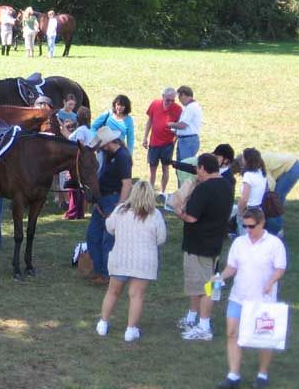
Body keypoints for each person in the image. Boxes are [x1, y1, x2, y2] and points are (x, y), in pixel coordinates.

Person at [214, 207, 287, 389]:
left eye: (251, 226)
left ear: (262, 223)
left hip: (263, 300)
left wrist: (271, 282)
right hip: (239, 296)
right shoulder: (239, 242)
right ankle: (233, 375)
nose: (248, 230)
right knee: (231, 333)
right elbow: (232, 266)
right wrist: (220, 277)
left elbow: (280, 268)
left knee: (264, 337)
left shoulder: (274, 244)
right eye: (245, 226)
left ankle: (262, 375)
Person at [96, 179, 167, 342]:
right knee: (136, 296)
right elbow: (161, 238)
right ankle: (130, 330)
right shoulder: (155, 215)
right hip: (144, 262)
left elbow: (109, 227)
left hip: (121, 258)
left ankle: (103, 323)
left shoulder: (120, 210)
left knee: (112, 292)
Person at [174, 153, 234, 341]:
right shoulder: (226, 185)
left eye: (197, 169)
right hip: (215, 244)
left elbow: (191, 217)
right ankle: (193, 317)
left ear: (202, 168)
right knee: (205, 283)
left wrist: (178, 212)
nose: (196, 173)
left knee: (204, 287)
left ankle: (204, 325)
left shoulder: (204, 189)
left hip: (198, 244)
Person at [86, 126, 133, 286]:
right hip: (103, 200)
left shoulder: (122, 157)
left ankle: (106, 274)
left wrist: (119, 207)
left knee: (108, 240)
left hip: (113, 201)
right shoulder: (109, 155)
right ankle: (99, 269)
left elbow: (127, 184)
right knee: (93, 235)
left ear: (108, 143)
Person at [234, 151, 299, 237]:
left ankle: (276, 231)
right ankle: (269, 226)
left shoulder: (261, 164)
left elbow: (271, 184)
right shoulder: (257, 163)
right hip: (290, 165)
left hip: (292, 168)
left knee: (274, 202)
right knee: (270, 201)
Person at [143, 87, 183, 194]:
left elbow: (181, 127)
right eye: (168, 100)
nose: (170, 102)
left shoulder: (178, 109)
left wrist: (174, 142)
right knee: (152, 169)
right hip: (154, 143)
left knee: (166, 168)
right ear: (163, 97)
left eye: (173, 100)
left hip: (167, 144)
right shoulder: (155, 104)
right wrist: (145, 137)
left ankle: (163, 192)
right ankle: (151, 191)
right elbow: (150, 121)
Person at [169, 85, 203, 163]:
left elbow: (183, 125)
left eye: (179, 97)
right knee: (181, 166)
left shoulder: (191, 107)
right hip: (185, 140)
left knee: (185, 166)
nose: (179, 100)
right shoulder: (189, 107)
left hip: (188, 140)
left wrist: (170, 124)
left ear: (183, 95)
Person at [237, 148, 268, 229]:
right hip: (259, 210)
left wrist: (240, 212)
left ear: (247, 160)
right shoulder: (262, 173)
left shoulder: (248, 175)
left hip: (249, 211)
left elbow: (244, 199)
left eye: (243, 158)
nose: (242, 159)